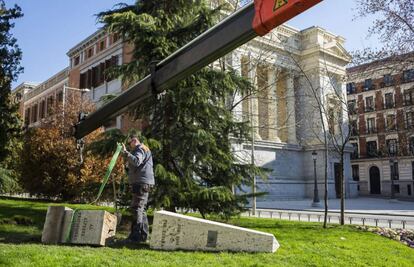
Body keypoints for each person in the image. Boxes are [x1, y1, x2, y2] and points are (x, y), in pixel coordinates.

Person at [122, 135, 155, 243]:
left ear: (133, 142)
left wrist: (126, 153)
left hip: (141, 183)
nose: (130, 145)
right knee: (142, 209)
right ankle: (143, 236)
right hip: (144, 182)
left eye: (130, 142)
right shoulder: (144, 148)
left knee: (136, 209)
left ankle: (135, 237)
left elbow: (136, 161)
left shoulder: (139, 148)